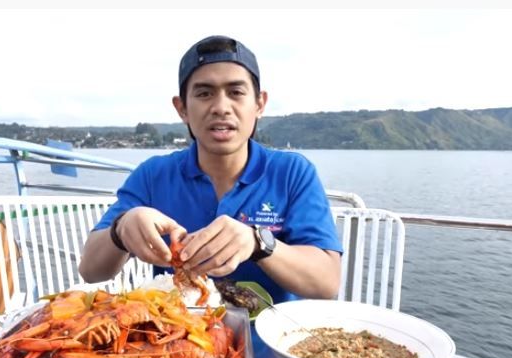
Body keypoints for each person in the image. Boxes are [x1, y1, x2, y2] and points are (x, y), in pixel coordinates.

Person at [79, 35, 341, 303]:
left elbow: (326, 282)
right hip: (180, 337)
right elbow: (90, 270)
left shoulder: (292, 173)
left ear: (259, 104)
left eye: (236, 92)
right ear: (182, 108)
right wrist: (121, 229)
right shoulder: (153, 176)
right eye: (204, 93)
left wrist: (257, 242)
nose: (221, 107)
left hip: (270, 338)